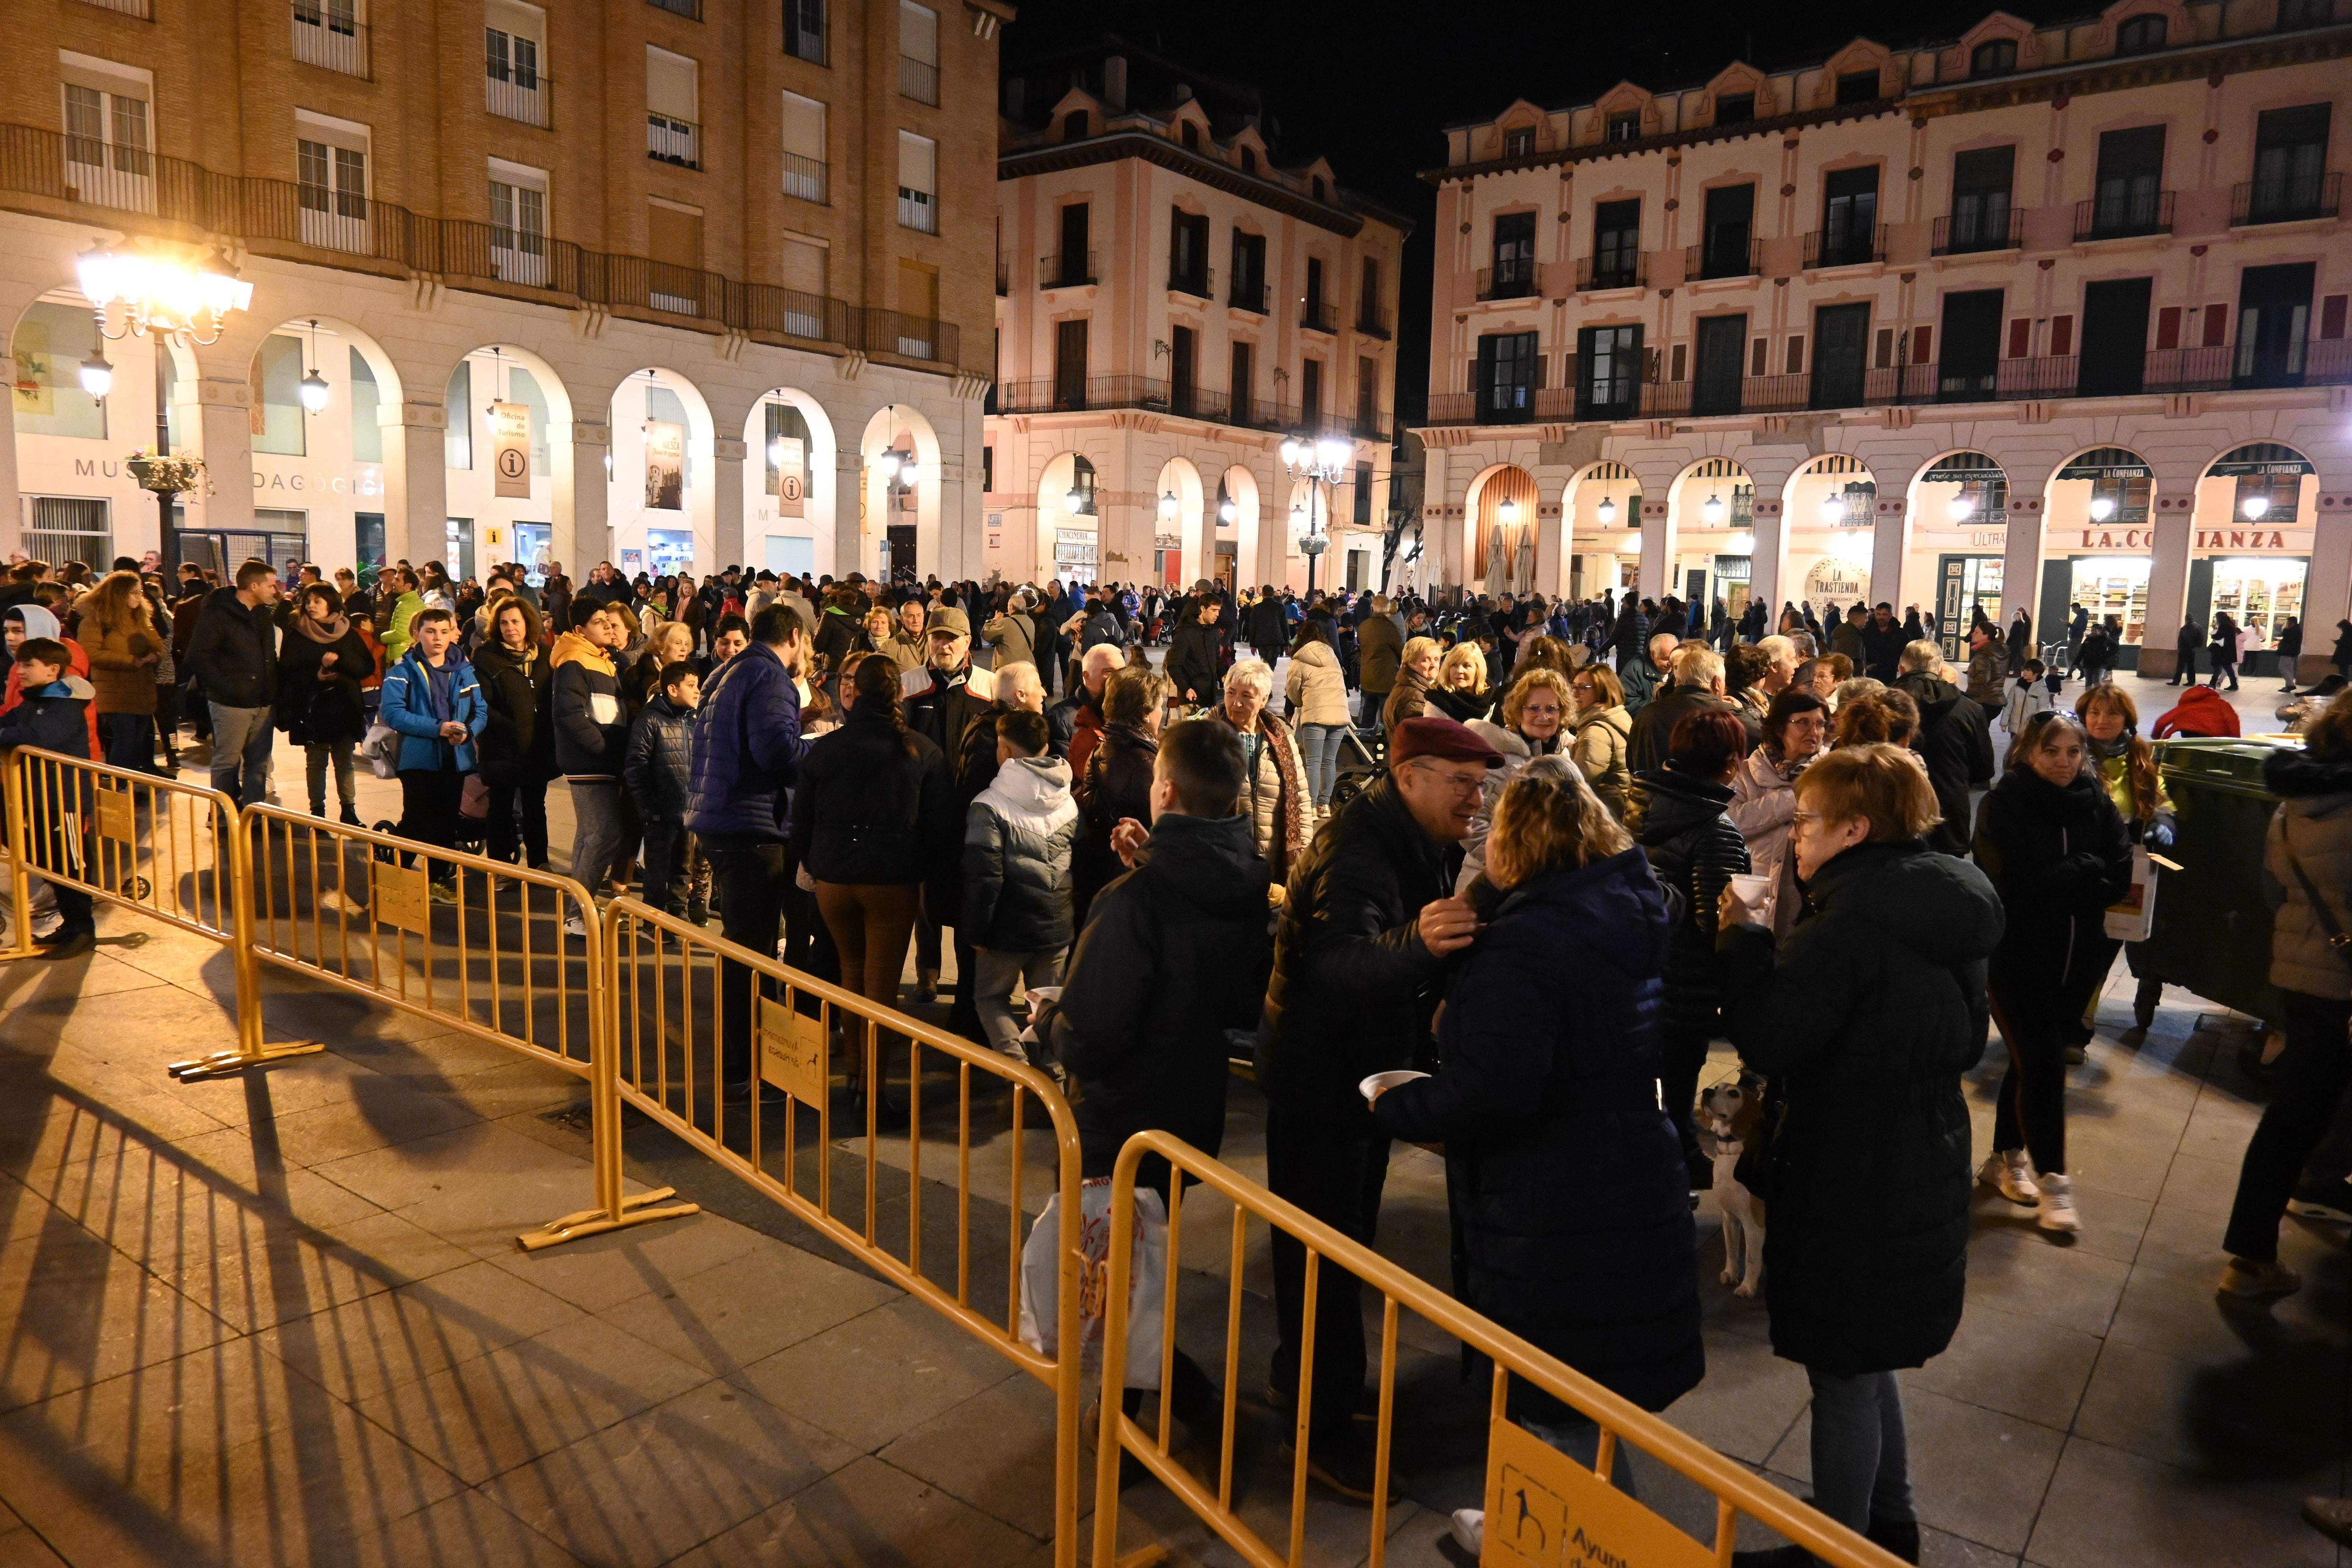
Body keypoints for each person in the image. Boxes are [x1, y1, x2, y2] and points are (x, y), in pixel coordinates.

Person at [1375, 765, 1700, 1552]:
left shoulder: (1525, 949)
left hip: (1551, 1199)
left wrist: (1397, 1103)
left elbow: (1492, 1093)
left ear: (1513, 846)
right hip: (1625, 1166)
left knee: (1554, 1398)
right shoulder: (1626, 911)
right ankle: (1530, 1521)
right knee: (1584, 1387)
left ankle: (1579, 1542)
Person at [1715, 745, 2003, 1568]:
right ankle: (1892, 1525)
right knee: (1869, 1359)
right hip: (1919, 1149)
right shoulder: (1946, 895)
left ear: (1855, 826)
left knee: (1841, 1368)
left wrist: (1742, 943)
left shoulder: (1848, 923)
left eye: (1806, 819)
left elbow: (1773, 1034)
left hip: (1854, 1167)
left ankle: (1834, 1547)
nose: (1795, 834)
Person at [1256, 715, 1495, 1497]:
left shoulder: (1408, 839)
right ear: (1408, 776)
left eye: (1478, 782)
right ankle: (1319, 1432)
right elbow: (1333, 966)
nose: (1473, 796)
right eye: (1458, 780)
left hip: (1355, 1076)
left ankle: (1308, 1387)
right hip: (1320, 1083)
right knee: (1324, 1252)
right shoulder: (1360, 849)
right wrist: (1417, 946)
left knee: (1338, 1244)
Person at [1973, 713, 2132, 1235]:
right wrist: (2081, 872)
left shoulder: (2096, 802)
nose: (2064, 763)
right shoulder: (2005, 805)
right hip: (2018, 959)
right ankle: (2055, 1183)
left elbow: (2120, 874)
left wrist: (2075, 877)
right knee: (2044, 1065)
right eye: (2052, 752)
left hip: (2080, 957)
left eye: (2072, 752)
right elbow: (2011, 885)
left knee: (2028, 1064)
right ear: (2027, 753)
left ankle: (2004, 1157)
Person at [2219, 700, 2352, 1297]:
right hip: (2344, 983)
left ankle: (2250, 1255)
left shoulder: (2294, 805)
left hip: (2302, 974)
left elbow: (2274, 886)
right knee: (2307, 1112)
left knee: (2292, 1114)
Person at [792, 653, 956, 1111]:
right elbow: (941, 829)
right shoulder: (921, 751)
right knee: (881, 985)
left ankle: (852, 1077)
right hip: (892, 881)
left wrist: (819, 862)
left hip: (835, 880)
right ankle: (874, 1091)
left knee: (849, 975)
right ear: (899, 693)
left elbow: (801, 820)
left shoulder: (826, 750)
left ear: (856, 692)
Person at [686, 604, 814, 1097]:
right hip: (752, 828)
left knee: (745, 949)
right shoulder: (770, 675)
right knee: (753, 955)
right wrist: (821, 747)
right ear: (796, 636)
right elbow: (778, 753)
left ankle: (742, 1063)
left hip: (724, 822)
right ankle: (748, 1068)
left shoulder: (728, 671)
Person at [1632, 708, 1752, 1188]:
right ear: (1730, 763)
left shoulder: (1643, 804)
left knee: (1656, 1079)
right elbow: (1716, 920)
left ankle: (1668, 1151)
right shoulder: (1715, 829)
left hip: (1644, 969)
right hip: (1687, 980)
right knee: (1680, 1078)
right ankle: (1675, 1161)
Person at [962, 709, 1077, 1062]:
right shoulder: (1068, 799)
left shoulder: (988, 806)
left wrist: (976, 931)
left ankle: (1018, 1072)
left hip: (1006, 930)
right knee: (1047, 1006)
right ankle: (1053, 1083)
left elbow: (984, 878)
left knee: (990, 999)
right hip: (1057, 925)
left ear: (1005, 751)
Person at [375, 608, 487, 902]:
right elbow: (393, 714)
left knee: (446, 822)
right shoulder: (402, 671)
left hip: (456, 758)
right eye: (430, 631)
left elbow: (481, 710)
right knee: (416, 820)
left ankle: (437, 880)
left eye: (443, 631)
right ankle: (397, 879)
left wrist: (468, 731)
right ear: (417, 634)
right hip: (418, 760)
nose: (438, 637)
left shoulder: (465, 671)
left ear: (453, 633)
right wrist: (438, 728)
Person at [0, 637, 99, 957]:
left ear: (53, 669)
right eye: (19, 663)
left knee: (71, 866)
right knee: (50, 864)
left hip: (63, 801)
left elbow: (35, 738)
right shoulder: (34, 701)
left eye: (28, 665)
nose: (20, 671)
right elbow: (10, 724)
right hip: (40, 798)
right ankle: (70, 926)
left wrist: (5, 736)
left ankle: (82, 929)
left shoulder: (65, 703)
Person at [551, 602, 637, 934]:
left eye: (609, 622)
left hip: (601, 761)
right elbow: (569, 714)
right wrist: (602, 750)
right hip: (590, 762)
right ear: (580, 630)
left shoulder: (603, 660)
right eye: (599, 622)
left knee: (590, 836)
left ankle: (580, 909)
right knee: (604, 834)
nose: (608, 628)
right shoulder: (574, 661)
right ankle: (578, 915)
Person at [1728, 689, 1829, 945]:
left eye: (1820, 724)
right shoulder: (1748, 771)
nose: (1814, 732)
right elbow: (1732, 824)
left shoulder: (1832, 774)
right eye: (1803, 723)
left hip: (1811, 896)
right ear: (1780, 727)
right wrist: (1793, 797)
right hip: (1755, 891)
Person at [1073, 667, 1169, 928]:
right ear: (1146, 713)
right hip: (1127, 875)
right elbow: (1156, 824)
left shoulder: (1107, 746)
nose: (1163, 714)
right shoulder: (1142, 761)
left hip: (1103, 872)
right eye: (1161, 706)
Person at [182, 560, 282, 808]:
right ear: (254, 585)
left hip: (263, 703)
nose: (276, 591)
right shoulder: (219, 613)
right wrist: (227, 688)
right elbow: (197, 657)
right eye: (271, 586)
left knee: (258, 764)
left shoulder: (262, 614)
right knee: (227, 763)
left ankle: (253, 815)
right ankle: (225, 816)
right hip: (231, 704)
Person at [275, 582, 373, 824]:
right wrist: (315, 676)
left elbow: (366, 667)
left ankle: (349, 810)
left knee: (345, 762)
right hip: (312, 707)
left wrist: (338, 663)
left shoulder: (347, 632)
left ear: (331, 603)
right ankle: (317, 812)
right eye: (308, 601)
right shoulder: (297, 632)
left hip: (344, 706)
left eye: (317, 601)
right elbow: (286, 669)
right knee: (316, 763)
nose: (311, 606)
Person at [474, 596, 557, 870]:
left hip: (537, 747)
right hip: (501, 748)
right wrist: (514, 728)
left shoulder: (545, 655)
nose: (511, 627)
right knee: (501, 808)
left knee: (536, 807)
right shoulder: (486, 658)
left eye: (516, 621)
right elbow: (483, 705)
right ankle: (500, 868)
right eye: (505, 622)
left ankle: (540, 864)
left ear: (527, 623)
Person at [1209, 658, 1309, 885]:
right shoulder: (1207, 739)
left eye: (1247, 696)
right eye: (1231, 693)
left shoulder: (1282, 740)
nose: (1236, 703)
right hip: (1223, 860)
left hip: (1272, 863)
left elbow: (1301, 800)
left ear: (1264, 699)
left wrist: (1302, 857)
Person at [1893, 641, 1994, 859]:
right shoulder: (1971, 709)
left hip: (1895, 812)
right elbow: (1984, 769)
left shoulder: (1882, 705)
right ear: (1940, 670)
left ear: (1902, 668)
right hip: (1949, 813)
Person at [624, 661, 702, 917]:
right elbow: (637, 766)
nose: (697, 691)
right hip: (661, 811)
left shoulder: (693, 720)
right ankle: (653, 918)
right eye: (691, 686)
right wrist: (648, 806)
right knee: (658, 867)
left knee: (683, 866)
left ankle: (678, 912)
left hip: (688, 810)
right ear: (672, 689)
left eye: (697, 685)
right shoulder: (651, 719)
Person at [78, 570, 162, 776]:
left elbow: (157, 643)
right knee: (125, 739)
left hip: (142, 688)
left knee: (139, 740)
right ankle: (119, 783)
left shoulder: (140, 617)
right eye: (134, 593)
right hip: (114, 690)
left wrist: (156, 656)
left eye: (140, 592)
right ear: (119, 594)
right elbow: (91, 653)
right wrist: (130, 661)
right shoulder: (97, 620)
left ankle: (134, 780)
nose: (139, 597)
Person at [1629, 644, 1740, 775]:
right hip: (1698, 794)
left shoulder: (1647, 713)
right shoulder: (1723, 715)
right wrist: (1745, 712)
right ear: (1716, 683)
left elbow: (1632, 761)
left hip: (1649, 792)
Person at [1284, 622, 1351, 815]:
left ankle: (1311, 806)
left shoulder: (1298, 661)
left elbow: (1293, 692)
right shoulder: (1332, 656)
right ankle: (1324, 805)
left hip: (1315, 715)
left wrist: (1300, 704)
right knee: (1329, 762)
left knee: (1313, 761)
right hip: (1339, 714)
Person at [1566, 663, 1633, 821]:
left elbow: (1581, 779)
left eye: (1583, 688)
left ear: (1603, 690)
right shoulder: (1616, 716)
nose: (1575, 693)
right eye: (1574, 687)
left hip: (1604, 813)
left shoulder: (1597, 732)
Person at [1165, 596, 1226, 712]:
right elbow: (1173, 666)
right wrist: (1186, 688)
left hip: (1211, 697)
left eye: (1219, 611)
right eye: (1214, 610)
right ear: (1203, 609)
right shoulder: (1185, 633)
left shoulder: (1213, 632)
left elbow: (1216, 659)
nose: (1217, 614)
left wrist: (1223, 674)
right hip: (1191, 699)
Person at [1356, 595, 1402, 727]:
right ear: (1388, 608)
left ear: (1372, 608)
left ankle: (1365, 741)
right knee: (1386, 713)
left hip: (1367, 675)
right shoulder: (1391, 628)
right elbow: (1400, 650)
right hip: (1386, 678)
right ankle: (1385, 741)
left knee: (1368, 711)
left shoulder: (1364, 626)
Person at [1383, 636, 1440, 733]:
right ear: (1410, 663)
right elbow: (1420, 737)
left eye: (1436, 659)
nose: (1433, 665)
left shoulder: (1412, 687)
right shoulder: (1413, 696)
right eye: (1426, 660)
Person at [1428, 644, 1491, 724]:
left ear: (1478, 670)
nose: (1459, 671)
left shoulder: (1492, 700)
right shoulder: (1436, 702)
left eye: (1466, 666)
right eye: (1454, 665)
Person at [2002, 658, 2055, 749]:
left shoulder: (2042, 690)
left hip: (2030, 729)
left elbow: (2043, 709)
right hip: (2015, 728)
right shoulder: (2017, 686)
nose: (2024, 672)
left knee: (2026, 751)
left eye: (2028, 670)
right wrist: (2004, 721)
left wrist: (2041, 727)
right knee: (2013, 750)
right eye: (2025, 670)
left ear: (2036, 673)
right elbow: (2009, 704)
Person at [2208, 610, 2243, 691]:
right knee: (2228, 668)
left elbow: (2219, 636)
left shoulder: (2224, 626)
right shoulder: (2231, 625)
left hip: (2223, 651)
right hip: (2229, 650)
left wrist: (2214, 636)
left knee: (2219, 667)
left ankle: (2213, 683)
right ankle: (2234, 684)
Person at [2169, 616, 2204, 686]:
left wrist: (2188, 646)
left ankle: (2176, 681)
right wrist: (2196, 646)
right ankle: (2192, 681)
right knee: (2191, 666)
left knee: (2181, 666)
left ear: (2186, 619)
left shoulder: (2186, 628)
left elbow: (2186, 638)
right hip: (2192, 650)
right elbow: (2201, 637)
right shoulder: (2198, 626)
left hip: (2185, 649)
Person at [2277, 614, 2304, 695]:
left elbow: (2287, 639)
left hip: (2287, 652)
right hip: (2292, 652)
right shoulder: (2297, 630)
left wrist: (2285, 630)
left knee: (2282, 667)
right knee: (2289, 668)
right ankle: (2289, 685)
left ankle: (2290, 684)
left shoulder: (2291, 631)